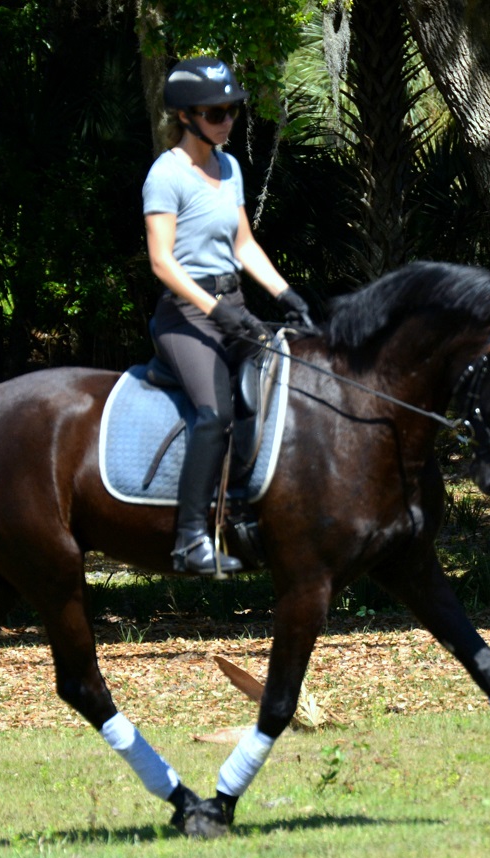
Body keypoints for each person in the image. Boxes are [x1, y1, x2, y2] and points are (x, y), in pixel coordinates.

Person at [143, 56, 314, 576]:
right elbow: (162, 262)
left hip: (233, 306)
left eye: (232, 112)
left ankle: (254, 516)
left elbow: (244, 243)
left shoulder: (230, 167)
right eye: (216, 113)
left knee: (286, 390)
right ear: (187, 116)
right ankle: (190, 539)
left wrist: (286, 295)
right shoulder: (166, 173)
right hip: (185, 317)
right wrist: (216, 308)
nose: (227, 122)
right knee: (215, 413)